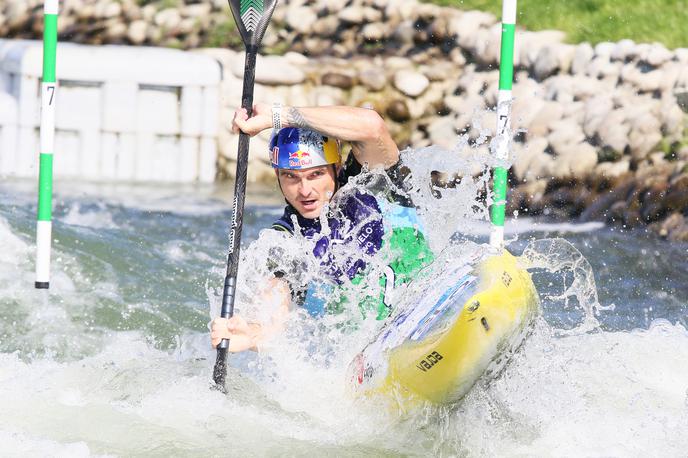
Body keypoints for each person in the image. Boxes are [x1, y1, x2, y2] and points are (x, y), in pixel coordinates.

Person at [210, 103, 433, 352]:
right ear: (278, 178)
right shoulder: (284, 240)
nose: (304, 190)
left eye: (315, 174)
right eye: (291, 177)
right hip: (376, 348)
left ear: (336, 170)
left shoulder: (370, 181)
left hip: (429, 300)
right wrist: (251, 336)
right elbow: (273, 317)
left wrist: (277, 116)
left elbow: (372, 126)